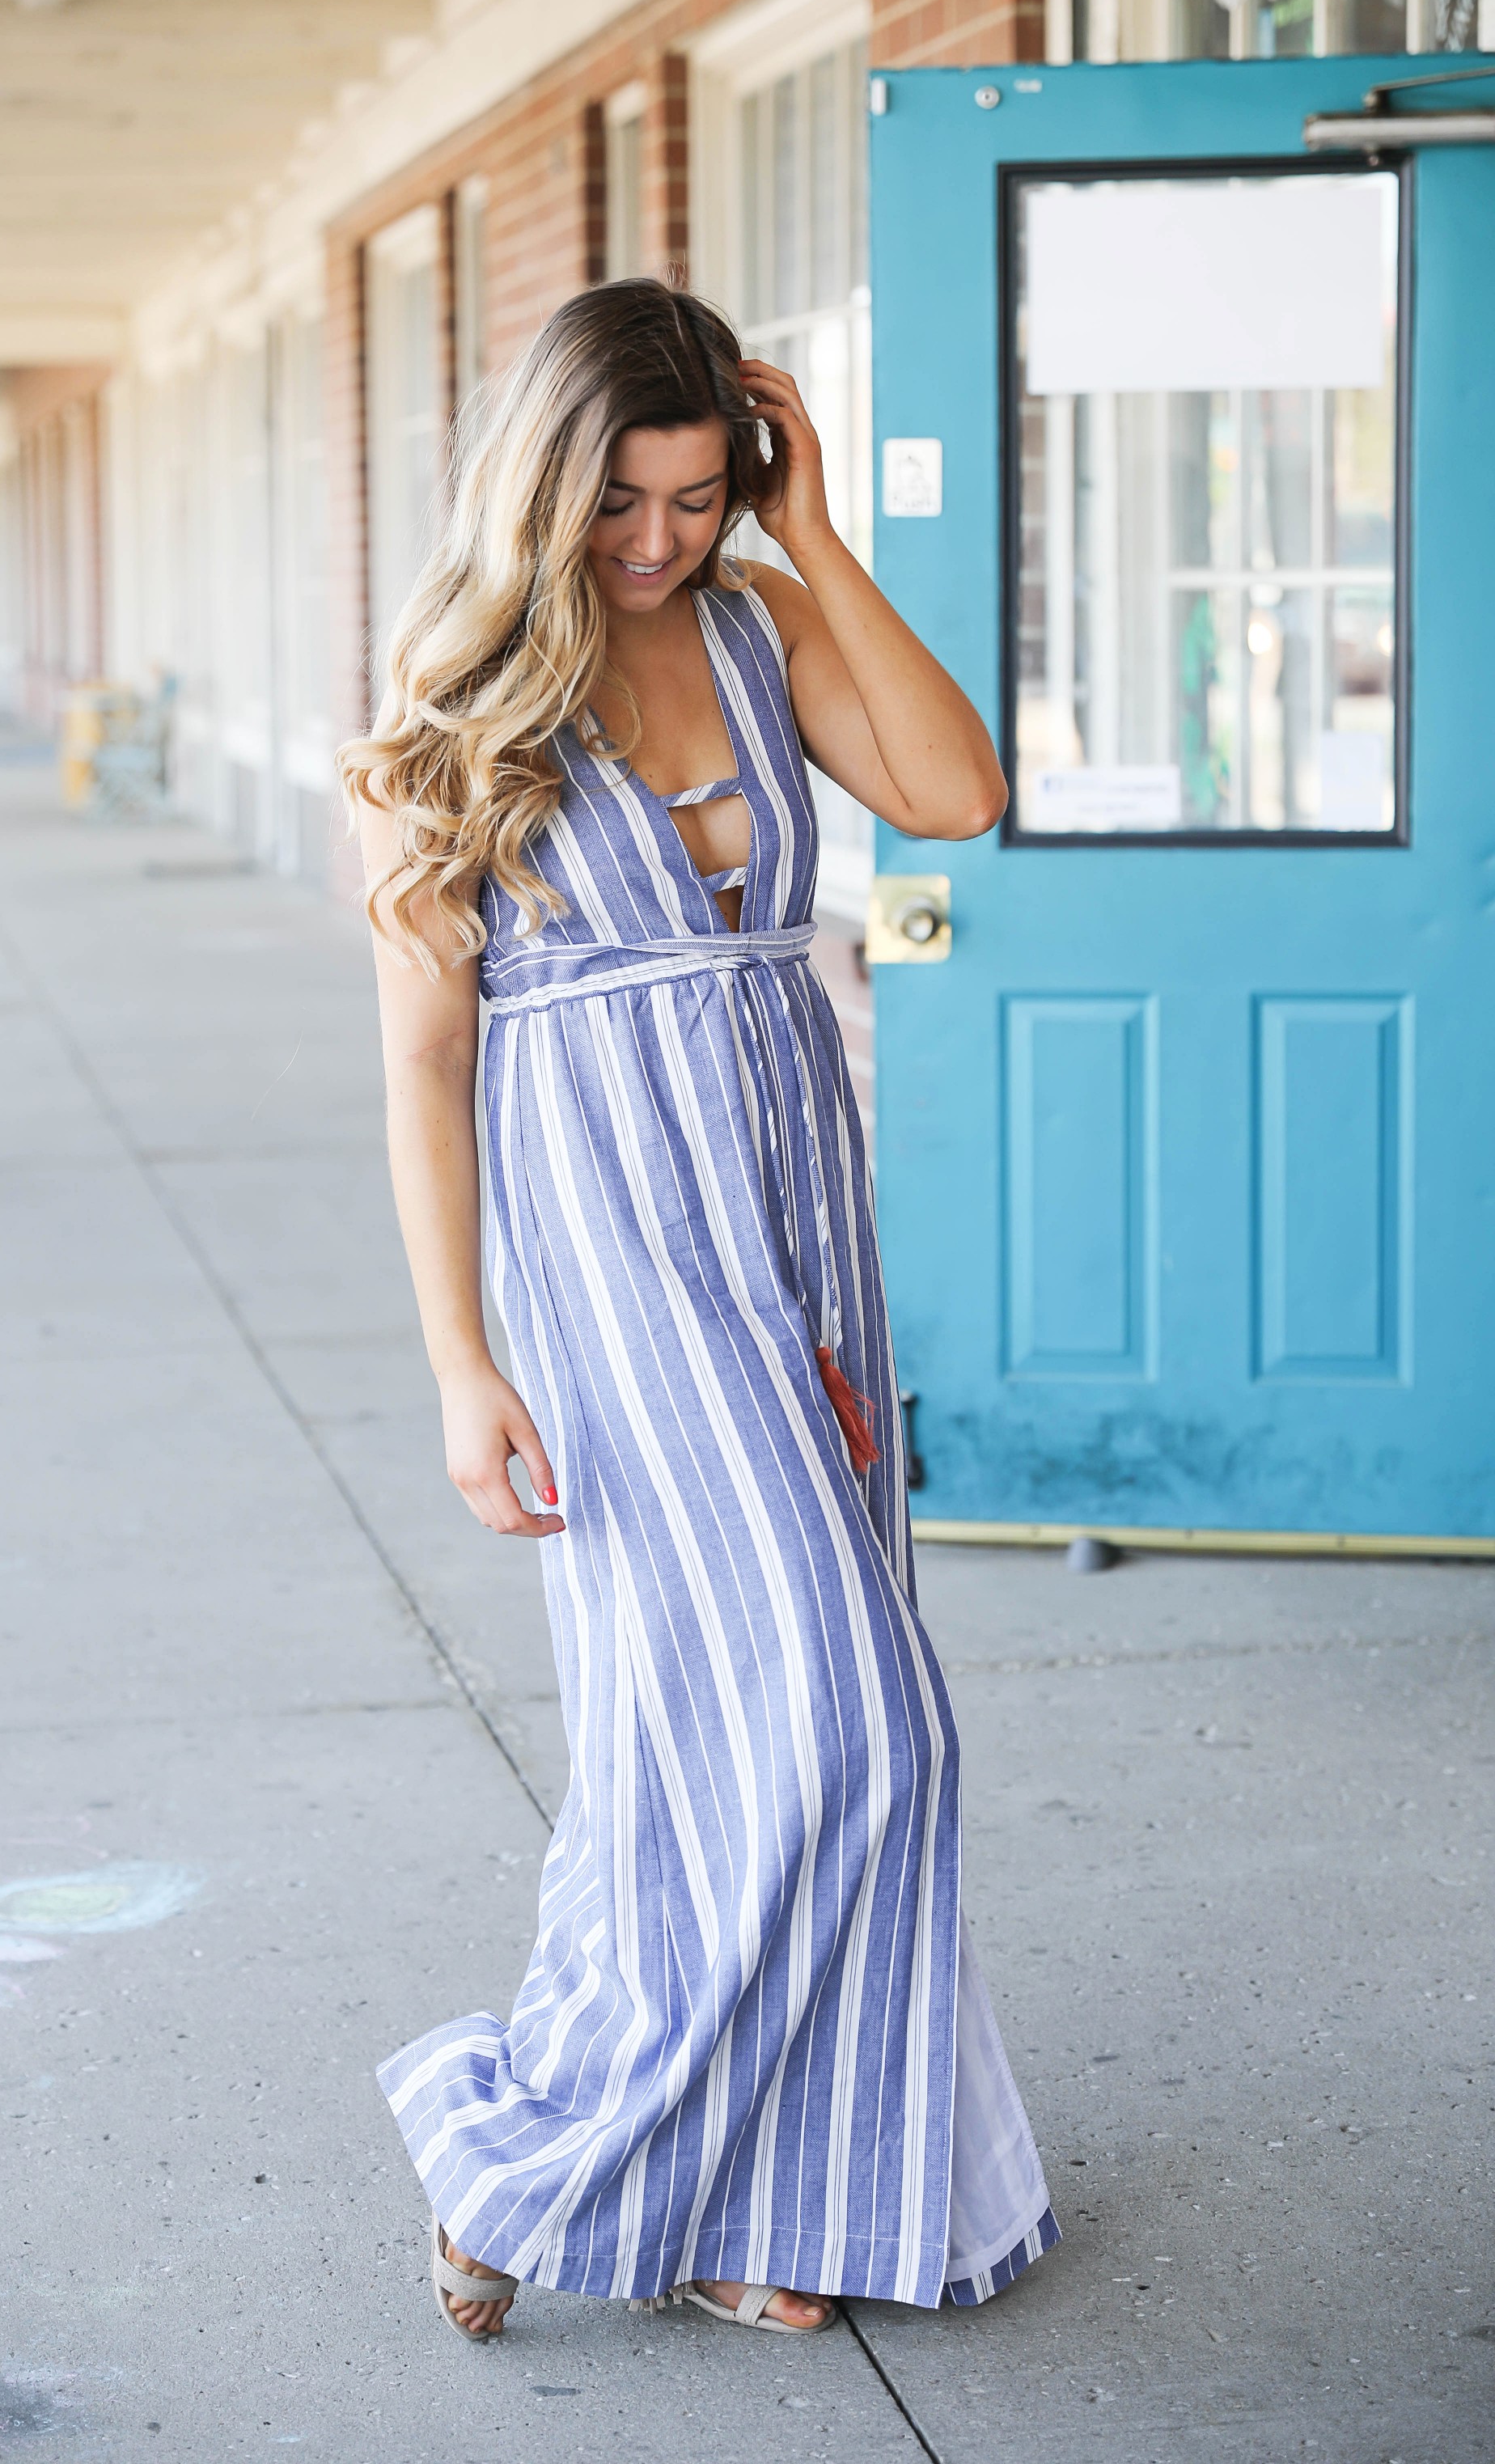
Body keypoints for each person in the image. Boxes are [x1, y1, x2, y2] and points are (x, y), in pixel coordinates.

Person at [341, 278, 1058, 2343]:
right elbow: (420, 1062)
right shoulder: (451, 697)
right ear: (540, 489)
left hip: (790, 1207)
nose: (656, 542)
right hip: (606, 1246)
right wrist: (459, 1363)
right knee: (854, 1726)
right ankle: (551, 2161)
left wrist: (813, 529)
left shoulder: (760, 620)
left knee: (697, 1738)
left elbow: (956, 794)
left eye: (692, 494)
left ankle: (758, 2198)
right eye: (618, 506)